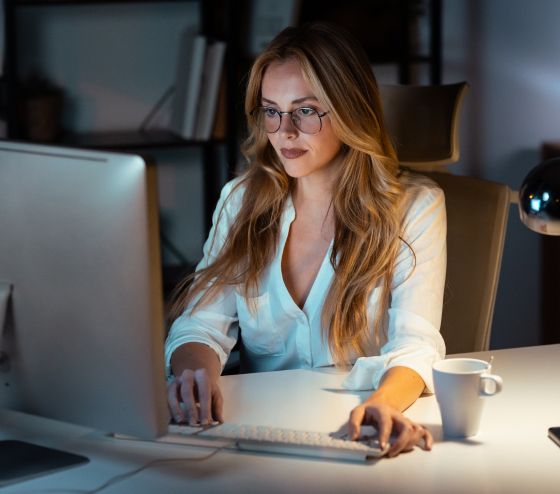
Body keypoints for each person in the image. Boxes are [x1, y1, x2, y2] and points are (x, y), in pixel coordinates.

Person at [165, 22, 446, 458]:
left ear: (350, 110)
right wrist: (193, 375)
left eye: (306, 110)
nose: (284, 131)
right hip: (255, 436)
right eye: (271, 110)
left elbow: (416, 344)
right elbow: (200, 325)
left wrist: (384, 403)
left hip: (353, 432)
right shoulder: (241, 201)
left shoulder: (416, 208)